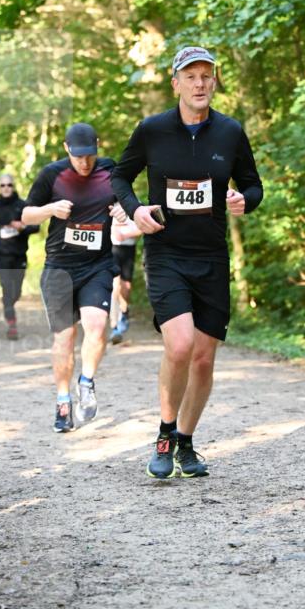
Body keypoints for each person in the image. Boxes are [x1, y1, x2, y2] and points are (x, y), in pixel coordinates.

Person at [112, 45, 264, 479]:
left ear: (214, 82)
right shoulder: (152, 130)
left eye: (207, 76)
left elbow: (253, 185)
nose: (200, 84)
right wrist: (136, 208)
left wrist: (242, 200)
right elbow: (119, 175)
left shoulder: (230, 132)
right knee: (179, 346)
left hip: (212, 256)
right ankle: (163, 434)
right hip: (166, 252)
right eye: (191, 76)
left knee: (203, 358)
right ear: (175, 82)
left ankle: (186, 442)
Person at [21, 123, 126, 433]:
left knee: (96, 326)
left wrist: (122, 209)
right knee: (64, 338)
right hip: (60, 267)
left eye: (90, 156)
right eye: (78, 157)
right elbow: (26, 216)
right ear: (67, 149)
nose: (84, 163)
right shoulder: (52, 174)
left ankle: (87, 382)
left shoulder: (109, 169)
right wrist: (50, 209)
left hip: (98, 264)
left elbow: (126, 201)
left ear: (97, 145)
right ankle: (63, 399)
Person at [0, 173, 39, 339]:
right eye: (3, 185)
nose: (6, 188)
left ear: (13, 187)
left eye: (9, 185)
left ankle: (9, 305)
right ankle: (12, 325)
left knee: (16, 292)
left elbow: (36, 227)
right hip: (2, 255)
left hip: (20, 255)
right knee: (7, 289)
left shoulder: (23, 205)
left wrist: (22, 228)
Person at [109, 231, 138, 345]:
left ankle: (124, 312)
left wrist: (126, 234)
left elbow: (142, 229)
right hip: (113, 247)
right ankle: (115, 326)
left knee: (126, 288)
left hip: (129, 248)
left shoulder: (134, 211)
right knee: (115, 287)